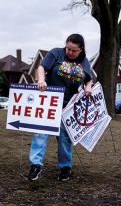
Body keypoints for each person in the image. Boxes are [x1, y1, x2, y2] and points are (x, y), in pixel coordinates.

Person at [26, 34, 93, 181]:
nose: (69, 52)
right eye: (68, 48)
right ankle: (35, 166)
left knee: (64, 138)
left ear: (81, 49)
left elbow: (89, 79)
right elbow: (41, 67)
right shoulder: (56, 53)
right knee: (40, 132)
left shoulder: (84, 62)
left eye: (73, 50)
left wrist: (88, 87)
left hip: (68, 106)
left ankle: (65, 167)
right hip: (49, 102)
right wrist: (41, 80)